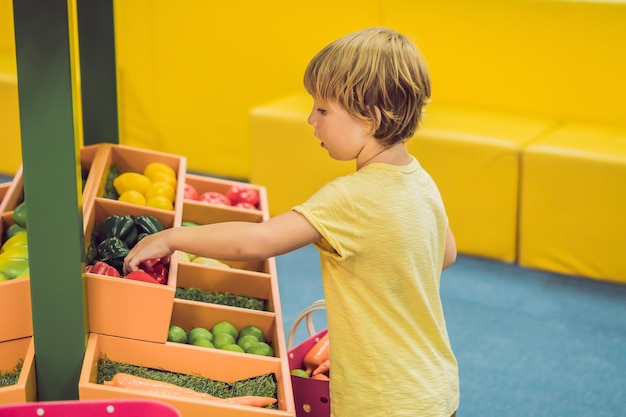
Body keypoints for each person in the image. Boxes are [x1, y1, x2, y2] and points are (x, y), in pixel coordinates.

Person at [124, 26, 459, 417]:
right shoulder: (421, 180)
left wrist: (172, 238)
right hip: (435, 387)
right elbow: (445, 253)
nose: (309, 119)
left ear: (369, 117)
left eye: (322, 109)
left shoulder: (350, 197)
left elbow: (257, 241)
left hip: (381, 402)